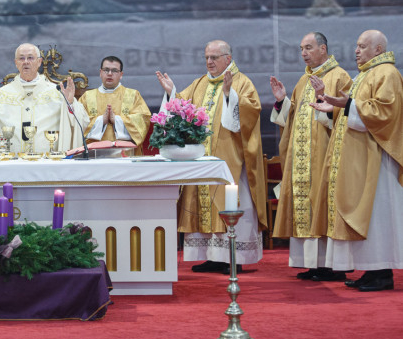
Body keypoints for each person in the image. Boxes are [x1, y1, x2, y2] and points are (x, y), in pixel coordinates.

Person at [155, 39, 266, 274]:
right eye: (207, 57)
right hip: (202, 160)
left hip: (231, 159)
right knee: (203, 203)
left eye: (214, 57)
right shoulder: (199, 84)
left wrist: (229, 95)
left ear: (228, 58)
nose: (209, 61)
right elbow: (181, 106)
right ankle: (212, 256)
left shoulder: (242, 82)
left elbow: (251, 113)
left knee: (230, 200)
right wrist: (171, 92)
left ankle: (234, 257)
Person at [310, 30, 403, 291]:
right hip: (360, 159)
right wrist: (335, 108)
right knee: (367, 215)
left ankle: (382, 273)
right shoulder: (365, 74)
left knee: (377, 215)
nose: (356, 51)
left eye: (362, 46)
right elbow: (353, 109)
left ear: (378, 49)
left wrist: (347, 104)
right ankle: (371, 271)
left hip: (377, 161)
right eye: (357, 46)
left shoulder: (387, 73)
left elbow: (384, 112)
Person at [269, 32, 351, 281]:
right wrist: (282, 102)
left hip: (325, 155)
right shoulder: (304, 80)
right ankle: (313, 264)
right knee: (306, 206)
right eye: (301, 49)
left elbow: (346, 117)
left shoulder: (340, 76)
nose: (303, 53)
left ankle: (332, 266)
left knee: (323, 203)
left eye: (308, 47)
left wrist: (323, 101)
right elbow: (293, 118)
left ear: (323, 48)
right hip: (302, 159)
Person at [0, 43, 89, 154]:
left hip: (48, 163)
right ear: (16, 63)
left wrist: (70, 103)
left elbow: (81, 122)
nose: (25, 62)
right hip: (10, 163)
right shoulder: (0, 95)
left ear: (39, 62)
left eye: (30, 58)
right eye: (21, 58)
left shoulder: (57, 93)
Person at [79, 56, 151, 154]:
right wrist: (101, 120)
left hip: (126, 154)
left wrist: (117, 120)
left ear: (121, 74)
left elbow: (143, 120)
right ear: (100, 72)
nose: (109, 74)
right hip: (94, 154)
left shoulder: (133, 95)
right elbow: (77, 123)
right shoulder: (87, 97)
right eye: (106, 70)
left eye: (114, 71)